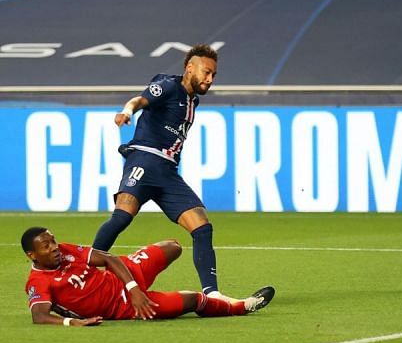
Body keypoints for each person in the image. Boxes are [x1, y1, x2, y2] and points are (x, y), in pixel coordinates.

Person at [92, 44, 269, 304]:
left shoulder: (191, 99)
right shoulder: (168, 86)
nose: (210, 79)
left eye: (214, 75)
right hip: (144, 159)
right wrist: (127, 112)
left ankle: (213, 294)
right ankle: (82, 272)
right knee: (121, 218)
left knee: (202, 227)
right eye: (206, 72)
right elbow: (139, 100)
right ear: (189, 68)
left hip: (167, 172)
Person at [22, 226, 275, 326]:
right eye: (46, 246)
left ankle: (139, 269)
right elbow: (39, 316)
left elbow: (109, 259)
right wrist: (70, 321)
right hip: (126, 308)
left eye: (52, 241)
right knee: (191, 301)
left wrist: (133, 288)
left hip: (128, 275)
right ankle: (241, 307)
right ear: (32, 255)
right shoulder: (38, 282)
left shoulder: (66, 250)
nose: (54, 247)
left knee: (173, 246)